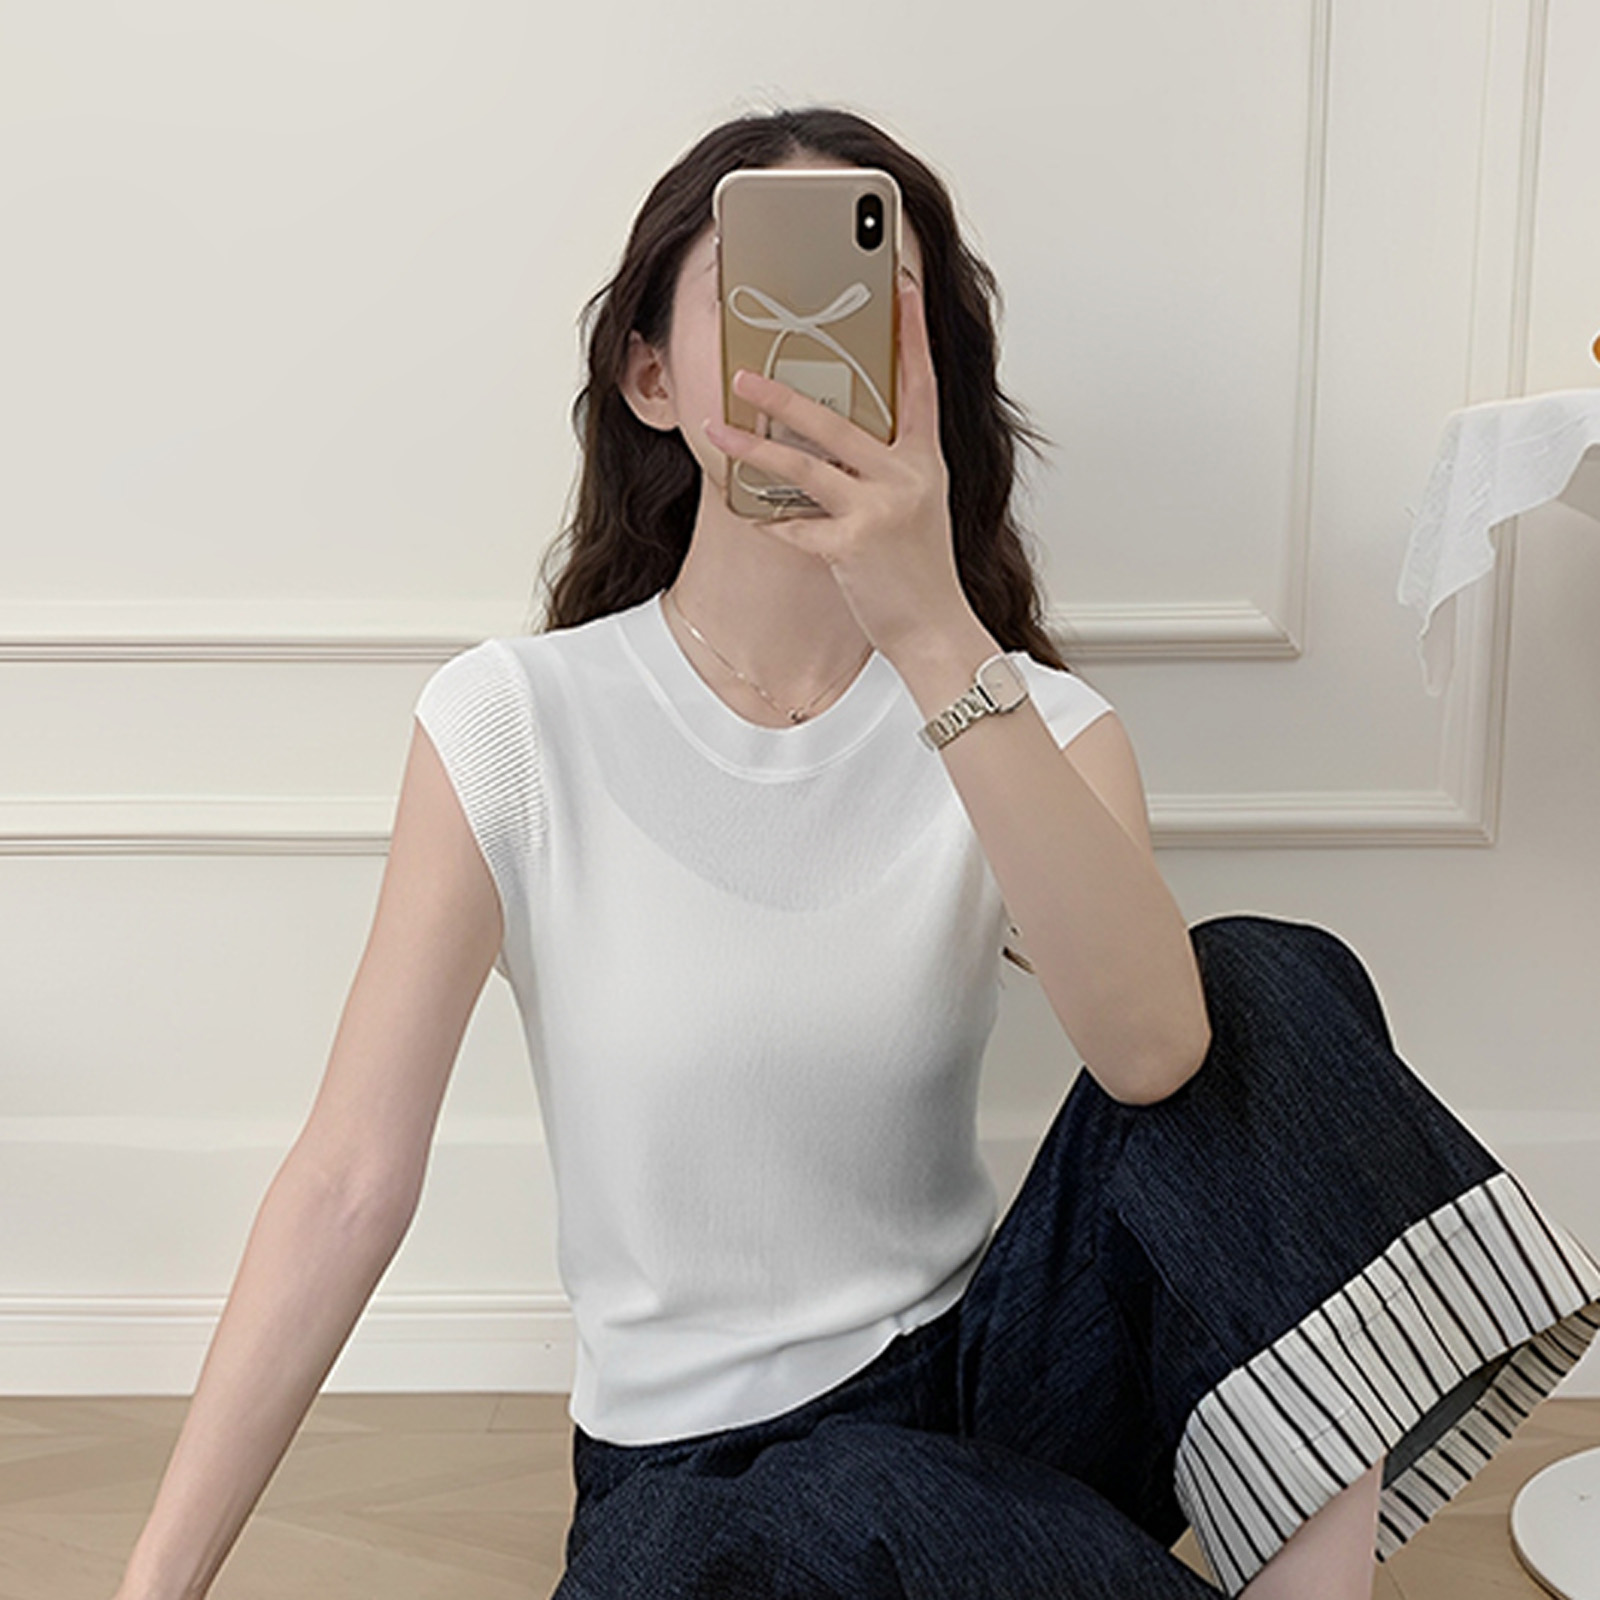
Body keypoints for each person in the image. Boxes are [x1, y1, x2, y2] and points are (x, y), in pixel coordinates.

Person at [113, 107, 1600, 1600]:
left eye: (878, 305)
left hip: (991, 1394)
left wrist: (930, 624)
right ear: (649, 375)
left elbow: (1157, 1054)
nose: (821, 343)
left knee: (1265, 980)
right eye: (767, 290)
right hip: (691, 1483)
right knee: (814, 1516)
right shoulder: (513, 723)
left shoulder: (1032, 724)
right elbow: (347, 1181)